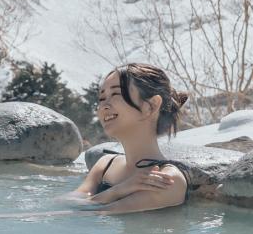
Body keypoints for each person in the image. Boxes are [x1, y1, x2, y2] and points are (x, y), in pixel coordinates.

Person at [67, 63, 190, 214]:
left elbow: (95, 214)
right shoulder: (106, 164)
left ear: (150, 106)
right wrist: (121, 189)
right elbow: (65, 203)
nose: (103, 106)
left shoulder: (168, 179)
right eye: (102, 98)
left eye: (116, 94)